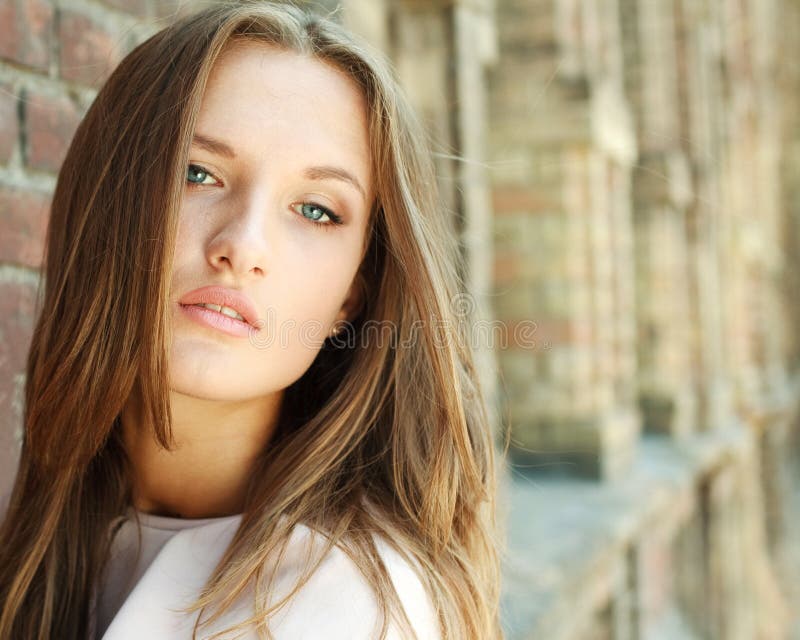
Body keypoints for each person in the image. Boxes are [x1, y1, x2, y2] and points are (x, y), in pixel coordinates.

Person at [0, 2, 503, 639]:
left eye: (316, 210)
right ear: (106, 203)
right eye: (198, 173)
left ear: (352, 296)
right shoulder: (43, 542)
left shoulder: (353, 605)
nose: (243, 245)